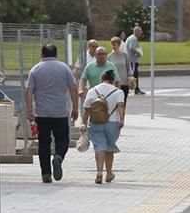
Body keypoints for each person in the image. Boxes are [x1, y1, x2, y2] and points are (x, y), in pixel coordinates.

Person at [24, 44, 78, 184]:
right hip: (60, 112)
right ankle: (59, 156)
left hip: (42, 113)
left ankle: (46, 173)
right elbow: (73, 88)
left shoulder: (35, 69)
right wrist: (75, 108)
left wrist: (29, 110)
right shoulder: (64, 68)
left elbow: (29, 91)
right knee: (63, 138)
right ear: (56, 54)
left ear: (42, 54)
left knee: (44, 142)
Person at [81, 68, 126, 184]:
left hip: (95, 122)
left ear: (102, 79)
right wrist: (121, 119)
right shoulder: (118, 92)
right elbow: (121, 105)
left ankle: (99, 173)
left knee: (99, 147)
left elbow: (86, 109)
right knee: (109, 147)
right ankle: (109, 173)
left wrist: (83, 123)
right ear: (113, 80)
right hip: (113, 123)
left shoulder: (93, 90)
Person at [106, 37, 131, 102]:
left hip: (124, 82)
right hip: (113, 83)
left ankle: (123, 112)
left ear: (119, 45)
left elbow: (129, 68)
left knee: (123, 101)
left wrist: (129, 77)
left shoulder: (124, 56)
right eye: (112, 44)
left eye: (115, 44)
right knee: (114, 102)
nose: (113, 46)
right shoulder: (109, 57)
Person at [125, 26, 145, 94]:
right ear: (136, 31)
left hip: (131, 60)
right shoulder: (133, 38)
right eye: (140, 31)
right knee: (134, 75)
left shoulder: (132, 38)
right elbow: (131, 47)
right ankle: (136, 89)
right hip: (132, 60)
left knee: (132, 74)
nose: (141, 33)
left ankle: (133, 88)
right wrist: (138, 53)